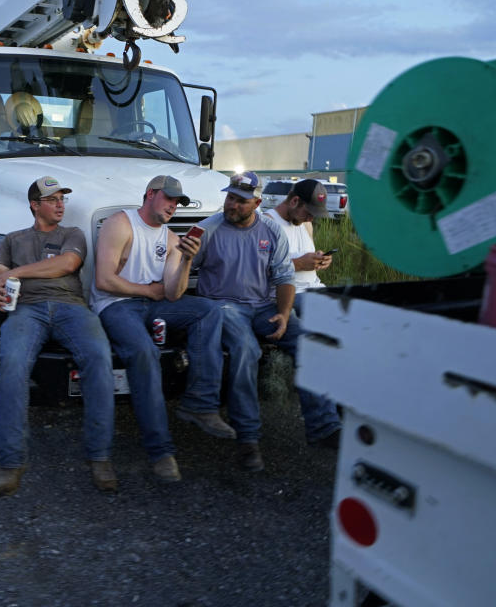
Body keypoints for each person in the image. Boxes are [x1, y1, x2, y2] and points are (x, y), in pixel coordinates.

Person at [192, 171, 342, 472]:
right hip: (223, 306)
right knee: (247, 351)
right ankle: (248, 439)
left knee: (309, 344)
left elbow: (285, 278)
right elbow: (178, 269)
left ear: (256, 202)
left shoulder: (271, 231)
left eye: (241, 201)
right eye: (230, 198)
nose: (232, 205)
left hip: (262, 306)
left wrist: (285, 314)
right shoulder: (205, 230)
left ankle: (325, 426)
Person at [91, 175, 229, 484]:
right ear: (150, 194)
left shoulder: (169, 238)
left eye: (177, 203)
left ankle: (200, 403)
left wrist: (187, 260)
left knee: (207, 311)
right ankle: (160, 451)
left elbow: (173, 292)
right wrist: (147, 291)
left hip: (152, 303)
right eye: (168, 199)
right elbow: (103, 280)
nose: (173, 206)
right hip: (116, 304)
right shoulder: (120, 223)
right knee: (143, 353)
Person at [0, 176, 117, 496]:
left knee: (99, 358)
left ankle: (100, 456)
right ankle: (11, 462)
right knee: (12, 363)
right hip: (26, 310)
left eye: (62, 199)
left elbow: (68, 264)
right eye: (52, 199)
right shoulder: (13, 239)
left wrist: (15, 273)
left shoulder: (72, 234)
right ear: (35, 206)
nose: (60, 205)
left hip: (70, 307)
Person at [262, 179, 332, 316]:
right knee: (333, 310)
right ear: (294, 201)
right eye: (309, 212)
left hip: (315, 289)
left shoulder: (305, 224)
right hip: (286, 296)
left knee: (357, 303)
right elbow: (256, 272)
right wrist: (299, 264)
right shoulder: (268, 224)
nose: (311, 219)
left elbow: (303, 254)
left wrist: (319, 259)